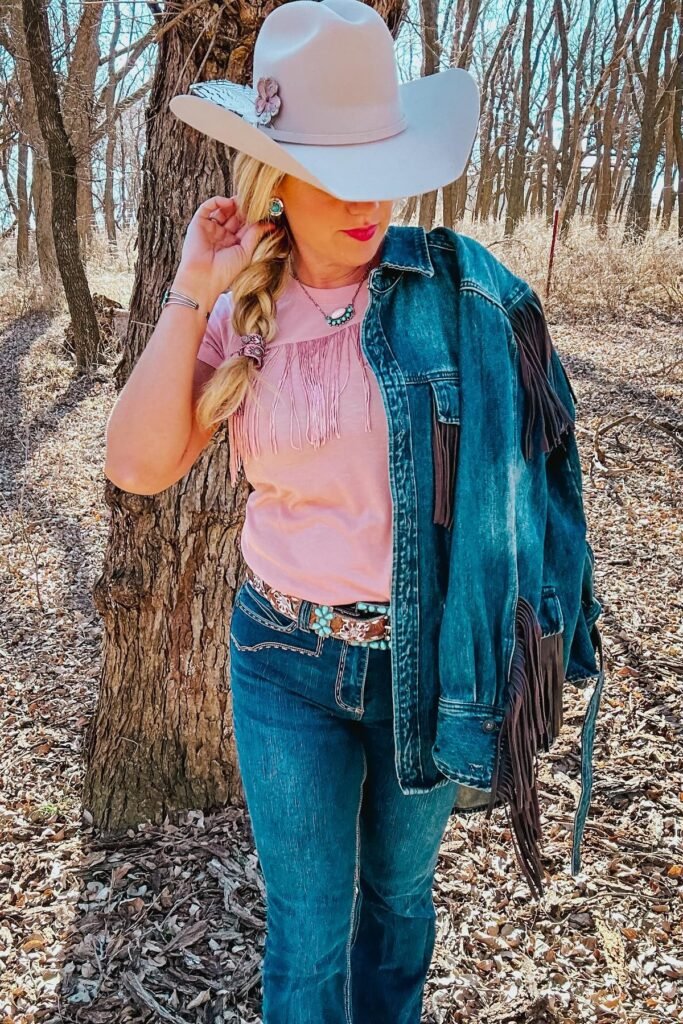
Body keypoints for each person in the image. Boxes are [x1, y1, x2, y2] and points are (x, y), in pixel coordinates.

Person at [105, 1, 605, 1021]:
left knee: (398, 903)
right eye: (335, 170)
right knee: (306, 932)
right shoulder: (244, 306)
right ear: (275, 180)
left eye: (380, 161)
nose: (367, 199)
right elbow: (139, 465)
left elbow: (536, 472)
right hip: (282, 662)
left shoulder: (459, 297)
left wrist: (549, 631)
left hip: (424, 667)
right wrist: (192, 287)